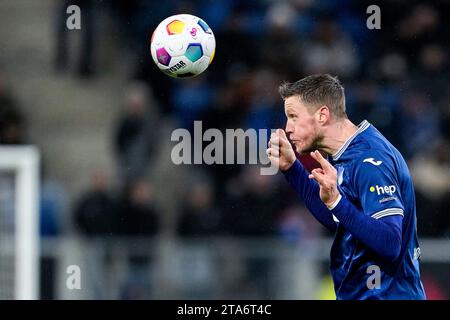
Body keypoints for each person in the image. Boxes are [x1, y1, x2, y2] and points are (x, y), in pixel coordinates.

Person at [266, 74, 426, 300]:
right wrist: (292, 169)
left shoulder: (370, 161)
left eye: (293, 116)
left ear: (322, 114)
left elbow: (390, 243)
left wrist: (336, 202)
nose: (287, 127)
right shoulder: (343, 154)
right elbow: (341, 221)